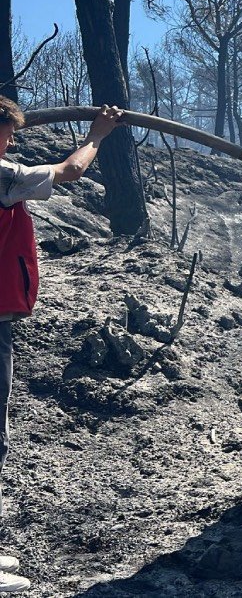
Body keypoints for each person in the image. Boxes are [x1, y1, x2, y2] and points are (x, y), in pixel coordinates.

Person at [0, 98, 123, 593]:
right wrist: (98, 134)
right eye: (5, 133)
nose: (9, 142)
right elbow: (70, 171)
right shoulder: (4, 174)